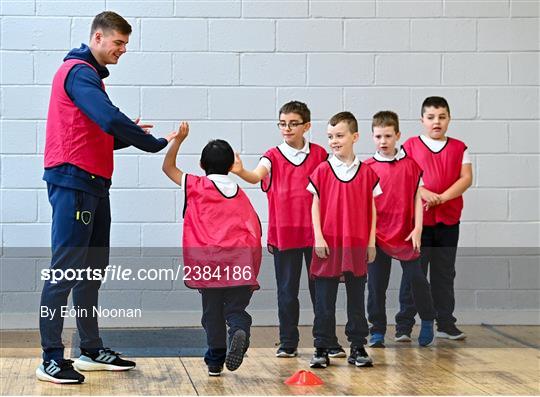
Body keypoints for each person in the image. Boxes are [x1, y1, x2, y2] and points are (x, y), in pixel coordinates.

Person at [37, 11, 179, 384]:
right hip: (74, 182)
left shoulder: (90, 79)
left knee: (92, 272)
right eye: (118, 43)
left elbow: (101, 130)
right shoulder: (79, 72)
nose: (122, 50)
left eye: (125, 45)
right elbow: (109, 119)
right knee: (65, 270)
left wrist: (125, 133)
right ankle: (51, 358)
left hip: (94, 184)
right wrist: (150, 142)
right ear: (97, 38)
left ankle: (90, 349)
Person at [232, 101, 345, 358]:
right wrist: (241, 171)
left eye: (293, 123)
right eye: (282, 123)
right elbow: (256, 175)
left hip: (317, 234)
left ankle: (327, 340)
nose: (287, 128)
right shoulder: (271, 156)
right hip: (285, 235)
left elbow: (337, 183)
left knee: (322, 292)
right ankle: (288, 342)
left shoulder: (320, 155)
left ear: (306, 126)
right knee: (287, 292)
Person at [162, 123, 262, 377]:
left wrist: (179, 140)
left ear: (201, 164)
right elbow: (253, 228)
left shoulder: (195, 185)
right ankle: (239, 328)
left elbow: (168, 168)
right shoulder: (239, 193)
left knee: (212, 315)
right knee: (235, 310)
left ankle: (215, 361)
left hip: (209, 265)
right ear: (231, 166)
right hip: (239, 262)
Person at [307, 111, 381, 369]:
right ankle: (321, 347)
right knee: (324, 302)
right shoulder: (322, 170)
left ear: (355, 136)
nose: (334, 141)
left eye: (339, 135)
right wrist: (318, 235)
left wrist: (371, 241)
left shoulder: (368, 173)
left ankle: (358, 346)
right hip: (328, 245)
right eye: (330, 136)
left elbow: (372, 209)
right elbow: (315, 206)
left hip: (357, 245)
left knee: (356, 300)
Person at [398, 97, 473, 341]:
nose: (436, 122)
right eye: (431, 117)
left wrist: (442, 197)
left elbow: (466, 178)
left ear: (449, 119)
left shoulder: (459, 147)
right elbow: (401, 176)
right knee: (414, 273)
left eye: (441, 117)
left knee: (444, 273)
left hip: (448, 222)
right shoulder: (409, 146)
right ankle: (405, 325)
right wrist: (425, 193)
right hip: (417, 224)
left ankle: (445, 323)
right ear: (422, 120)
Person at [364, 111, 436, 348]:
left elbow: (417, 197)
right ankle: (377, 330)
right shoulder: (367, 167)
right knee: (376, 286)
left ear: (397, 135)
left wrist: (417, 228)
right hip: (377, 236)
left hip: (406, 234)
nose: (383, 141)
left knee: (417, 279)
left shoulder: (411, 166)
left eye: (387, 136)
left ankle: (426, 319)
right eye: (378, 136)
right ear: (372, 137)